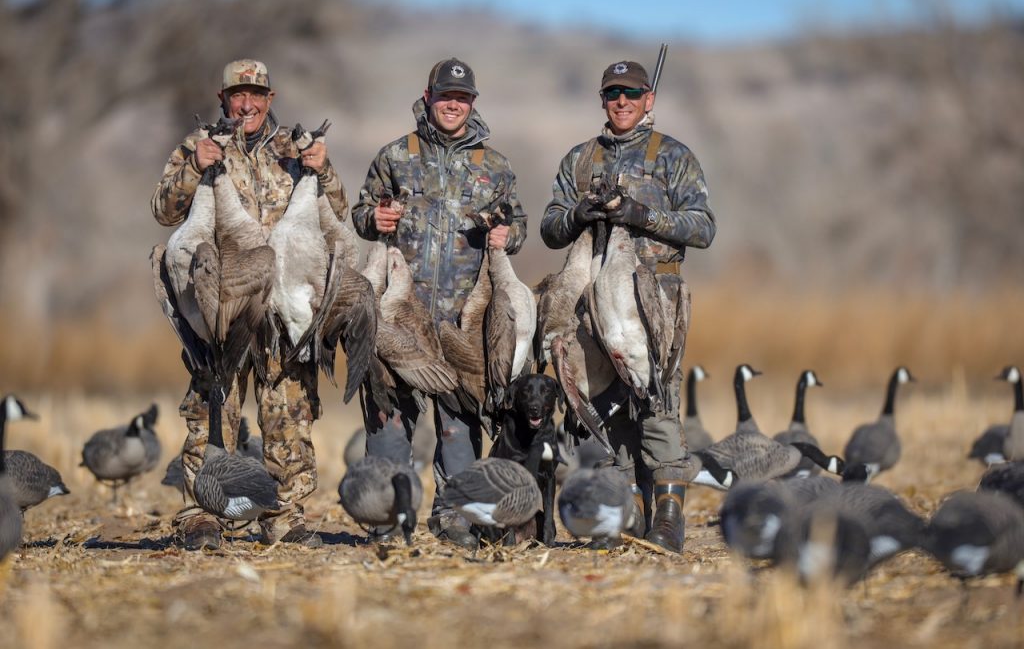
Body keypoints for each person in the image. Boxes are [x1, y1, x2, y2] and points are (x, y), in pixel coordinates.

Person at [152, 59, 347, 550]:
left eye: (255, 95)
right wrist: (196, 165)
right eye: (237, 95)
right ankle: (203, 514)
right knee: (214, 404)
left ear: (270, 99)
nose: (246, 104)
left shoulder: (295, 151)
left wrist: (323, 172)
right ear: (223, 99)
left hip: (281, 303)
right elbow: (163, 210)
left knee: (289, 409)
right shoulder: (201, 148)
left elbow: (339, 213)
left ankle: (287, 516)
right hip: (225, 302)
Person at [540, 60, 716, 553]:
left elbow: (702, 227)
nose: (622, 101)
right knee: (605, 408)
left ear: (649, 99)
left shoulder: (673, 157)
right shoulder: (579, 159)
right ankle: (625, 513)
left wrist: (644, 216)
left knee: (656, 406)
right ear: (601, 99)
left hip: (653, 305)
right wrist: (579, 214)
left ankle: (668, 520)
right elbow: (550, 227)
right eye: (613, 93)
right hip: (590, 303)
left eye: (632, 93)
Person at [351, 58, 527, 548]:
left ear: (472, 103)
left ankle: (457, 518)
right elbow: (363, 213)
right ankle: (387, 519)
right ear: (427, 96)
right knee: (389, 416)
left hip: (461, 319)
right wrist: (375, 217)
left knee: (460, 424)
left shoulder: (494, 166)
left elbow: (520, 226)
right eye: (446, 96)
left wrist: (508, 235)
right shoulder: (395, 155)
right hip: (398, 314)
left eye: (463, 98)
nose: (454, 104)